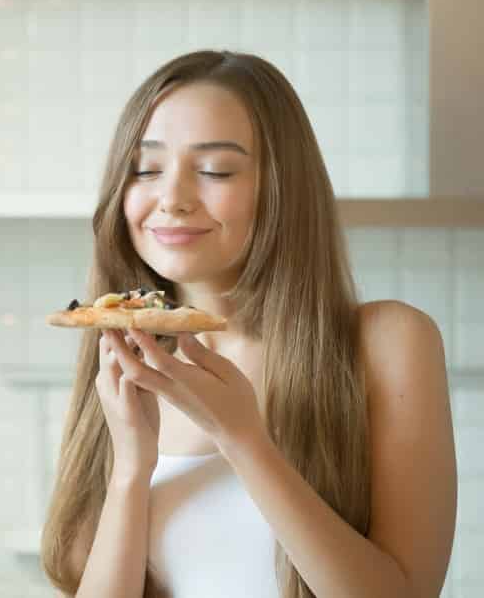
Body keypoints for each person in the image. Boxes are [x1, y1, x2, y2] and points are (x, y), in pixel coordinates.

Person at [40, 50, 457, 598]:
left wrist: (243, 440)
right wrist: (130, 472)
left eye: (215, 170)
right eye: (145, 169)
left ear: (281, 189)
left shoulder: (387, 342)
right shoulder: (124, 356)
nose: (172, 199)